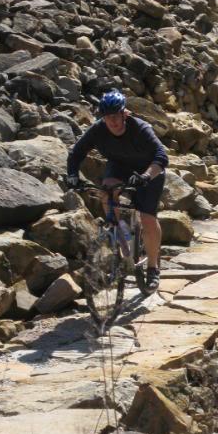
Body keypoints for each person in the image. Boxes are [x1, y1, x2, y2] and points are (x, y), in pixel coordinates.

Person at [66, 89, 167, 290]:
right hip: (120, 166)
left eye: (115, 116)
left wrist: (146, 176)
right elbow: (76, 153)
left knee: (147, 218)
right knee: (107, 193)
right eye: (107, 117)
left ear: (124, 113)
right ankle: (122, 241)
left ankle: (153, 267)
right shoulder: (98, 130)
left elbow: (161, 156)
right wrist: (73, 176)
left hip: (148, 170)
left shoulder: (140, 128)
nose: (112, 121)